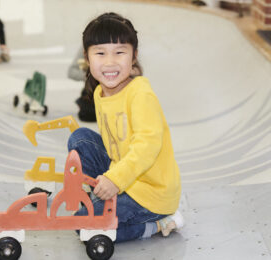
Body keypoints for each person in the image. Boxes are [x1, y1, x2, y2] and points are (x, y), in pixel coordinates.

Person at [68, 12, 184, 243]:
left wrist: (115, 181)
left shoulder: (140, 95)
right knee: (80, 139)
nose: (110, 62)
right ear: (87, 58)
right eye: (100, 53)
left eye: (119, 52)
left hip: (151, 193)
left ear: (133, 57)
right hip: (123, 171)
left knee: (84, 225)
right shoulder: (101, 92)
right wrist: (112, 177)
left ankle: (156, 224)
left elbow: (146, 147)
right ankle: (103, 199)